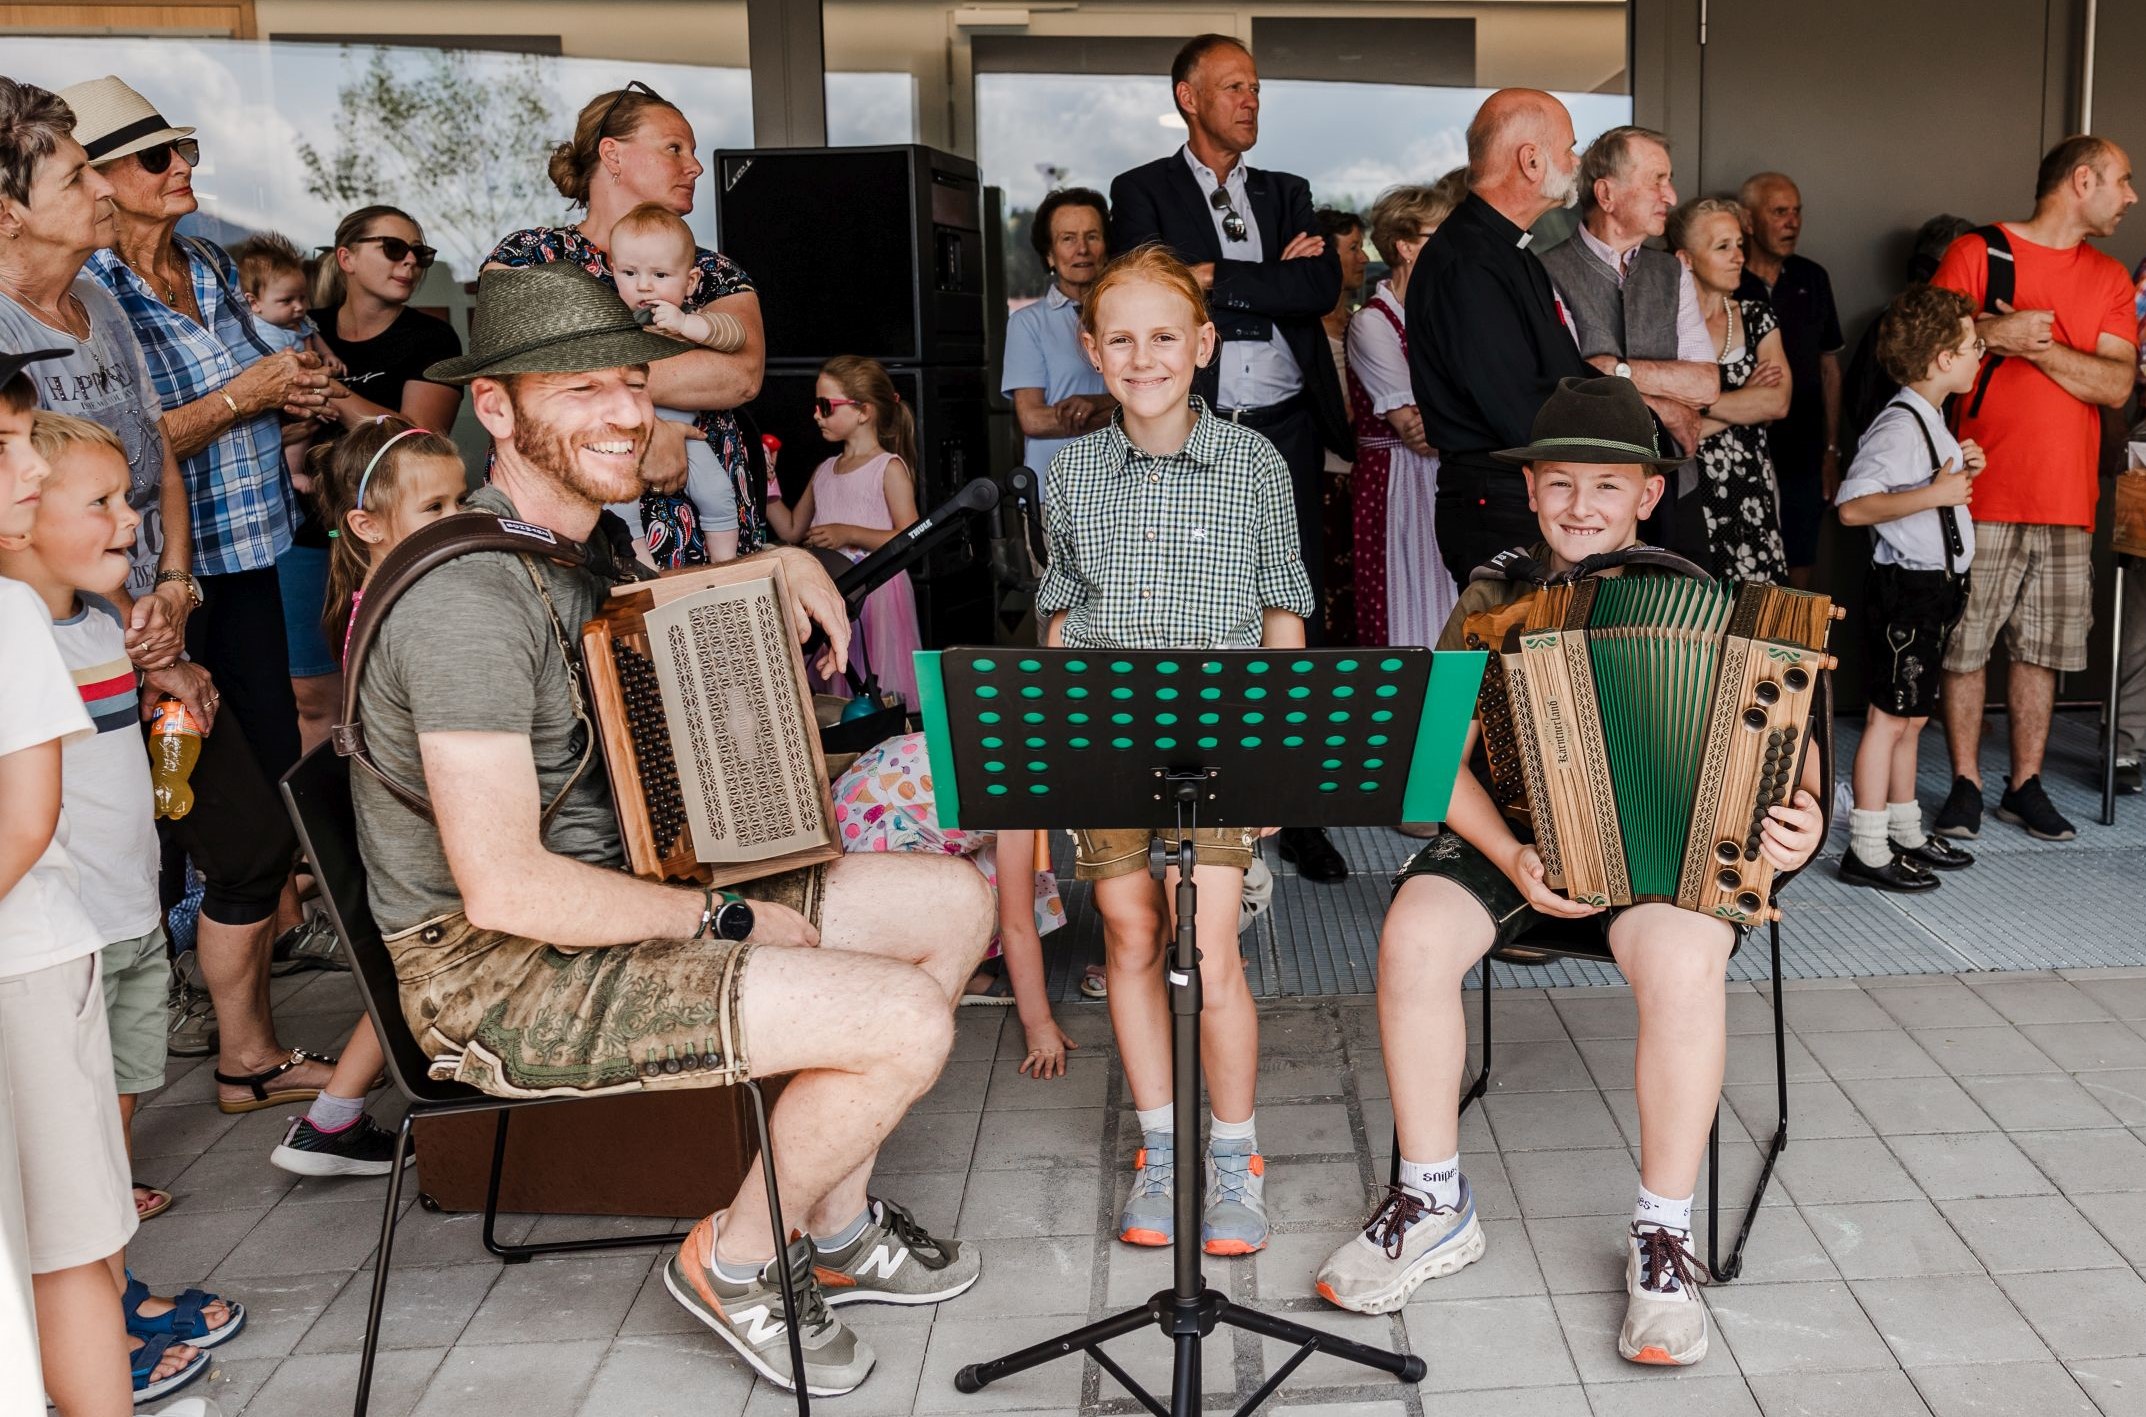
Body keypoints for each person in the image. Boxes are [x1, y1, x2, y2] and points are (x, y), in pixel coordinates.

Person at [350, 263, 993, 1395]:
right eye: (582, 388)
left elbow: (667, 616)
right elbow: (501, 892)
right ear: (494, 409)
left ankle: (829, 1230)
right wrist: (727, 917)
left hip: (610, 899)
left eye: (634, 382)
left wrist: (779, 556)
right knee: (899, 1021)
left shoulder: (574, 542)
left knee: (954, 900)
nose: (628, 412)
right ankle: (735, 1261)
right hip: (496, 973)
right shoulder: (467, 603)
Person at [1314, 377, 1825, 1371]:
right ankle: (1431, 1197)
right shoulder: (1493, 595)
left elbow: (1789, 733)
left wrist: (1801, 814)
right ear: (1532, 490)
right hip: (1514, 836)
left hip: (1663, 851)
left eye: (1606, 484)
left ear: (1646, 494)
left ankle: (1662, 1236)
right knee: (1412, 934)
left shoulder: (1707, 597)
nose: (1580, 505)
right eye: (1559, 484)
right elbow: (1431, 764)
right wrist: (1508, 853)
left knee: (1681, 963)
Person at [0, 77, 323, 1122]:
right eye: (78, 171)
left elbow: (155, 459)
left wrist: (174, 585)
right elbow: (30, 518)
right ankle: (92, 1149)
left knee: (242, 834)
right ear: (10, 209)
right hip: (62, 648)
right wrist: (146, 643)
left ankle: (243, 1059)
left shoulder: (95, 302)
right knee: (95, 884)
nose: (100, 187)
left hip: (154, 619)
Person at [1035, 245, 1316, 1258]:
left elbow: (1283, 599)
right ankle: (1162, 1149)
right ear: (1091, 350)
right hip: (1107, 730)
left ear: (1202, 344)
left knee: (1209, 940)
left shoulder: (1251, 462)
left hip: (1220, 737)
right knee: (1124, 932)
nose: (1142, 356)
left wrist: (1276, 743)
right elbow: (1061, 613)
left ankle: (1234, 1156)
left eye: (1164, 336)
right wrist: (1057, 744)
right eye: (1120, 338)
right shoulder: (1070, 474)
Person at [1, 410, 251, 1381]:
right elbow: (29, 821)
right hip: (64, 939)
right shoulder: (25, 630)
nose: (131, 526)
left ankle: (111, 1297)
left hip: (120, 915)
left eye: (131, 502)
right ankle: (107, 1320)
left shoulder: (99, 623)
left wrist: (166, 685)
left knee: (104, 1149)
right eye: (99, 504)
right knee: (75, 1164)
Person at [1110, 33, 1351, 882]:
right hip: (1196, 428)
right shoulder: (1139, 189)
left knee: (1298, 611)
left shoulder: (1288, 191)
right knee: (1195, 605)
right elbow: (1150, 287)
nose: (1252, 100)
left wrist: (1214, 274)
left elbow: (1318, 291)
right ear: (1188, 96)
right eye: (1235, 86)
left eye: (1256, 87)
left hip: (1286, 426)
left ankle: (1303, 812)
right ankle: (1195, 799)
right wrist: (1252, 275)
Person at [68, 75, 327, 790]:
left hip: (252, 546)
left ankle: (277, 902)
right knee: (182, 777)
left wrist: (295, 392)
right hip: (164, 576)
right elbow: (114, 457)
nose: (183, 165)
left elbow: (268, 375)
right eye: (156, 158)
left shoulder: (210, 262)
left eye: (181, 147)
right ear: (96, 181)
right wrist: (245, 398)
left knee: (274, 756)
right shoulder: (89, 293)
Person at [266, 417, 470, 1178]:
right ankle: (333, 1117)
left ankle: (333, 1115)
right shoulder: (407, 605)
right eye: (435, 509)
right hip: (412, 837)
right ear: (365, 523)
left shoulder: (385, 585)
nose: (456, 522)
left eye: (460, 502)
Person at [1931, 135, 2139, 845]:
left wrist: (2036, 344)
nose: (2131, 195)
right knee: (1964, 646)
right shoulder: (1977, 253)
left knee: (2041, 651)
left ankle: (2025, 784)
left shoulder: (2111, 278)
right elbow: (1925, 350)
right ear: (2082, 180)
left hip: (2068, 499)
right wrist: (1995, 329)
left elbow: (2115, 384)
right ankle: (1966, 782)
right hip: (1976, 491)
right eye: (2123, 180)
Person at [487, 82, 764, 565]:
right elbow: (524, 375)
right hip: (566, 525)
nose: (695, 165)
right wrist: (649, 426)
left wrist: (590, 378)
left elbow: (740, 375)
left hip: (706, 532)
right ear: (612, 155)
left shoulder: (715, 271)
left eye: (693, 151)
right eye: (674, 148)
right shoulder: (528, 258)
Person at [288, 205, 464, 756]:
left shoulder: (431, 339)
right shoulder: (299, 325)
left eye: (421, 254)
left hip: (395, 537)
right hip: (303, 528)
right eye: (393, 248)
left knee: (392, 685)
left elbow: (418, 440)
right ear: (346, 258)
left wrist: (334, 395)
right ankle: (324, 834)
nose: (410, 262)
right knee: (312, 695)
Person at [1406, 88, 1597, 587]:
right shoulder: (1469, 262)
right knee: (1519, 663)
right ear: (1531, 160)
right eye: (1569, 148)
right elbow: (1517, 407)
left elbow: (1561, 374)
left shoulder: (1508, 251)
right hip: (1501, 502)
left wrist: (1639, 417)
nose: (1575, 162)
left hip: (1525, 493)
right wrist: (1621, 436)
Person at [1835, 286, 1986, 891]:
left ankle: (1905, 829)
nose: (1982, 354)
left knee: (1912, 716)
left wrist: (1954, 470)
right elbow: (1852, 507)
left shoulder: (1930, 421)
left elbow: (1925, 487)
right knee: (1887, 717)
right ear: (1944, 360)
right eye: (1975, 346)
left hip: (1933, 591)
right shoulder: (1898, 427)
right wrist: (1936, 494)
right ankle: (1867, 846)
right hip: (1906, 592)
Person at [828, 735, 1079, 1075]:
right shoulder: (1021, 791)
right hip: (872, 827)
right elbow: (1017, 924)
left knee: (1007, 870)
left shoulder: (1015, 742)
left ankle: (966, 973)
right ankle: (908, 985)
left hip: (888, 788)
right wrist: (1040, 1025)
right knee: (981, 897)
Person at [1535, 126, 1718, 552]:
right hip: (1586, 508)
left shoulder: (1672, 272)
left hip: (1672, 489)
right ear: (1606, 194)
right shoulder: (1545, 272)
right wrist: (1669, 407)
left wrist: (1613, 370)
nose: (1671, 196)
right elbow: (1571, 391)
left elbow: (1707, 384)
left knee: (1680, 614)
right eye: (1657, 180)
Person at [764, 355, 923, 710]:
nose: (816, 415)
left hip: (877, 593)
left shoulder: (888, 467)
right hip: (838, 589)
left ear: (863, 411)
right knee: (839, 690)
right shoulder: (824, 470)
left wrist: (847, 532)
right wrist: (767, 483)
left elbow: (911, 535)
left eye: (825, 406)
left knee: (877, 683)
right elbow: (790, 529)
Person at [1349, 181, 1461, 651]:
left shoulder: (1447, 315)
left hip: (1444, 476)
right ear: (1406, 246)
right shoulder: (1372, 322)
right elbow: (1414, 429)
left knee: (1450, 608)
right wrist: (1473, 420)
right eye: (1442, 235)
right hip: (1397, 482)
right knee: (1405, 608)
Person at [604, 201, 746, 565]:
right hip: (624, 435)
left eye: (661, 276)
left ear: (691, 281)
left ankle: (725, 564)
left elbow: (737, 337)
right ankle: (640, 563)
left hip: (686, 433)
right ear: (612, 270)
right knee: (619, 496)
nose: (645, 286)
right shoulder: (611, 322)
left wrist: (687, 326)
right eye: (630, 273)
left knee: (717, 491)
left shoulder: (687, 322)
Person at [1666, 196, 1791, 580]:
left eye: (1739, 244)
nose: (1739, 256)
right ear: (1686, 258)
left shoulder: (1756, 316)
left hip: (1752, 490)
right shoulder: (1663, 326)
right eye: (1723, 246)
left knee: (1757, 622)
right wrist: (1744, 402)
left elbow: (1778, 401)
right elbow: (1665, 429)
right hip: (1686, 490)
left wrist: (1696, 408)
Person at [1738, 172, 1847, 589]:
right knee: (1743, 570)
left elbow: (1829, 368)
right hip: (1739, 450)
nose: (1793, 222)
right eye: (1779, 211)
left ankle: (1790, 657)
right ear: (1748, 221)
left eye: (1797, 211)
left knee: (1798, 564)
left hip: (1803, 450)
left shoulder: (1812, 278)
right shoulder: (1727, 279)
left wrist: (1831, 451)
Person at [1003, 187, 1114, 479]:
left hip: (1126, 486)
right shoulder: (1027, 324)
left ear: (1106, 246)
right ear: (1050, 254)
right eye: (1068, 238)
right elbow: (1034, 420)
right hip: (1055, 488)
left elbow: (1159, 400)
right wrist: (1124, 414)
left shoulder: (1130, 316)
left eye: (1092, 236)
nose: (1082, 250)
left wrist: (1095, 405)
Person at [1316, 207, 1368, 643]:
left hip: (1365, 478)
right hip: (1329, 478)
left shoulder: (1362, 325)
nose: (1364, 257)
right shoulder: (1308, 335)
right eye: (1352, 248)